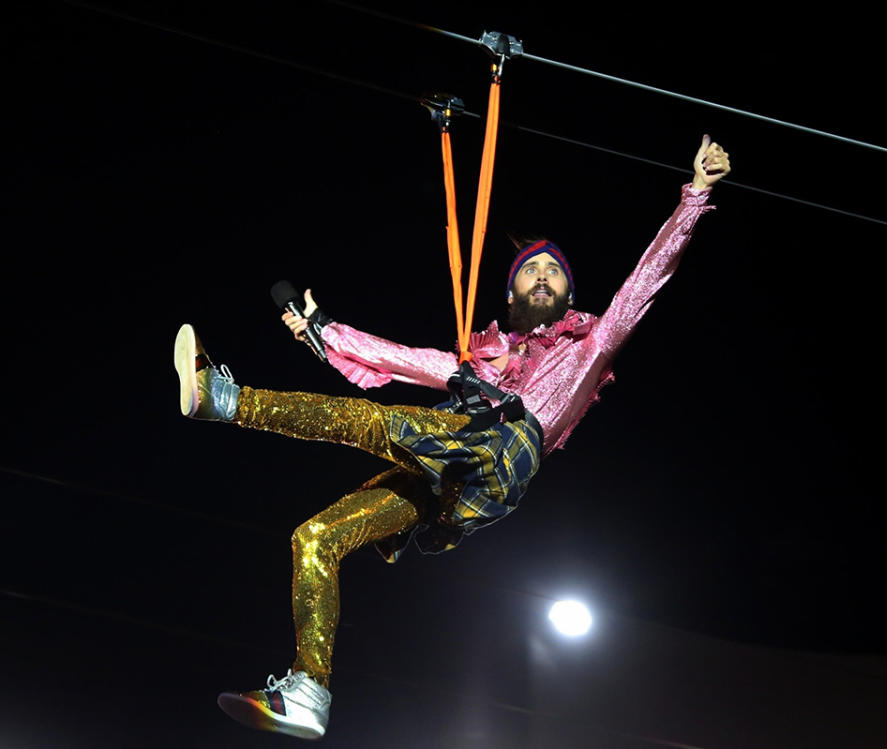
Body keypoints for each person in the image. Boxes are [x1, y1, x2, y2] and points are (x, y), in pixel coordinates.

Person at [174, 135, 731, 740]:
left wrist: (694, 196)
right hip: (457, 475)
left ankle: (227, 401)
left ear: (570, 294)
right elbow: (406, 360)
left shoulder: (588, 346)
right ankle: (310, 691)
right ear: (512, 293)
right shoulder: (482, 365)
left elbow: (644, 284)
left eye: (554, 272)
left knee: (383, 425)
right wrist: (325, 331)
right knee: (314, 537)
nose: (542, 277)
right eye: (530, 271)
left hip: (509, 446)